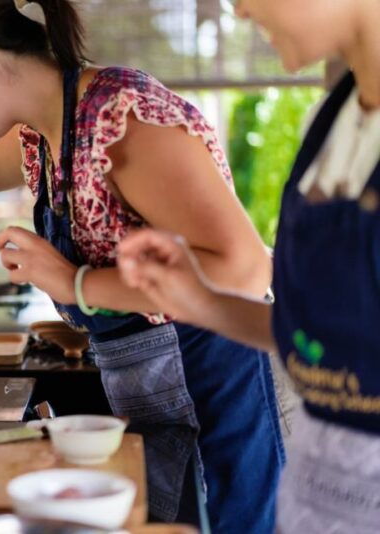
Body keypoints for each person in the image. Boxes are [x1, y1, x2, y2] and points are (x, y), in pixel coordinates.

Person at [0, 1, 284, 530]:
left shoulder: (121, 118)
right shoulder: (45, 132)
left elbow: (242, 270)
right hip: (153, 391)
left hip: (218, 391)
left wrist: (73, 283)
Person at [116, 0, 380, 532]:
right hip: (315, 504)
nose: (238, 9)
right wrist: (200, 300)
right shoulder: (333, 122)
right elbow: (321, 337)